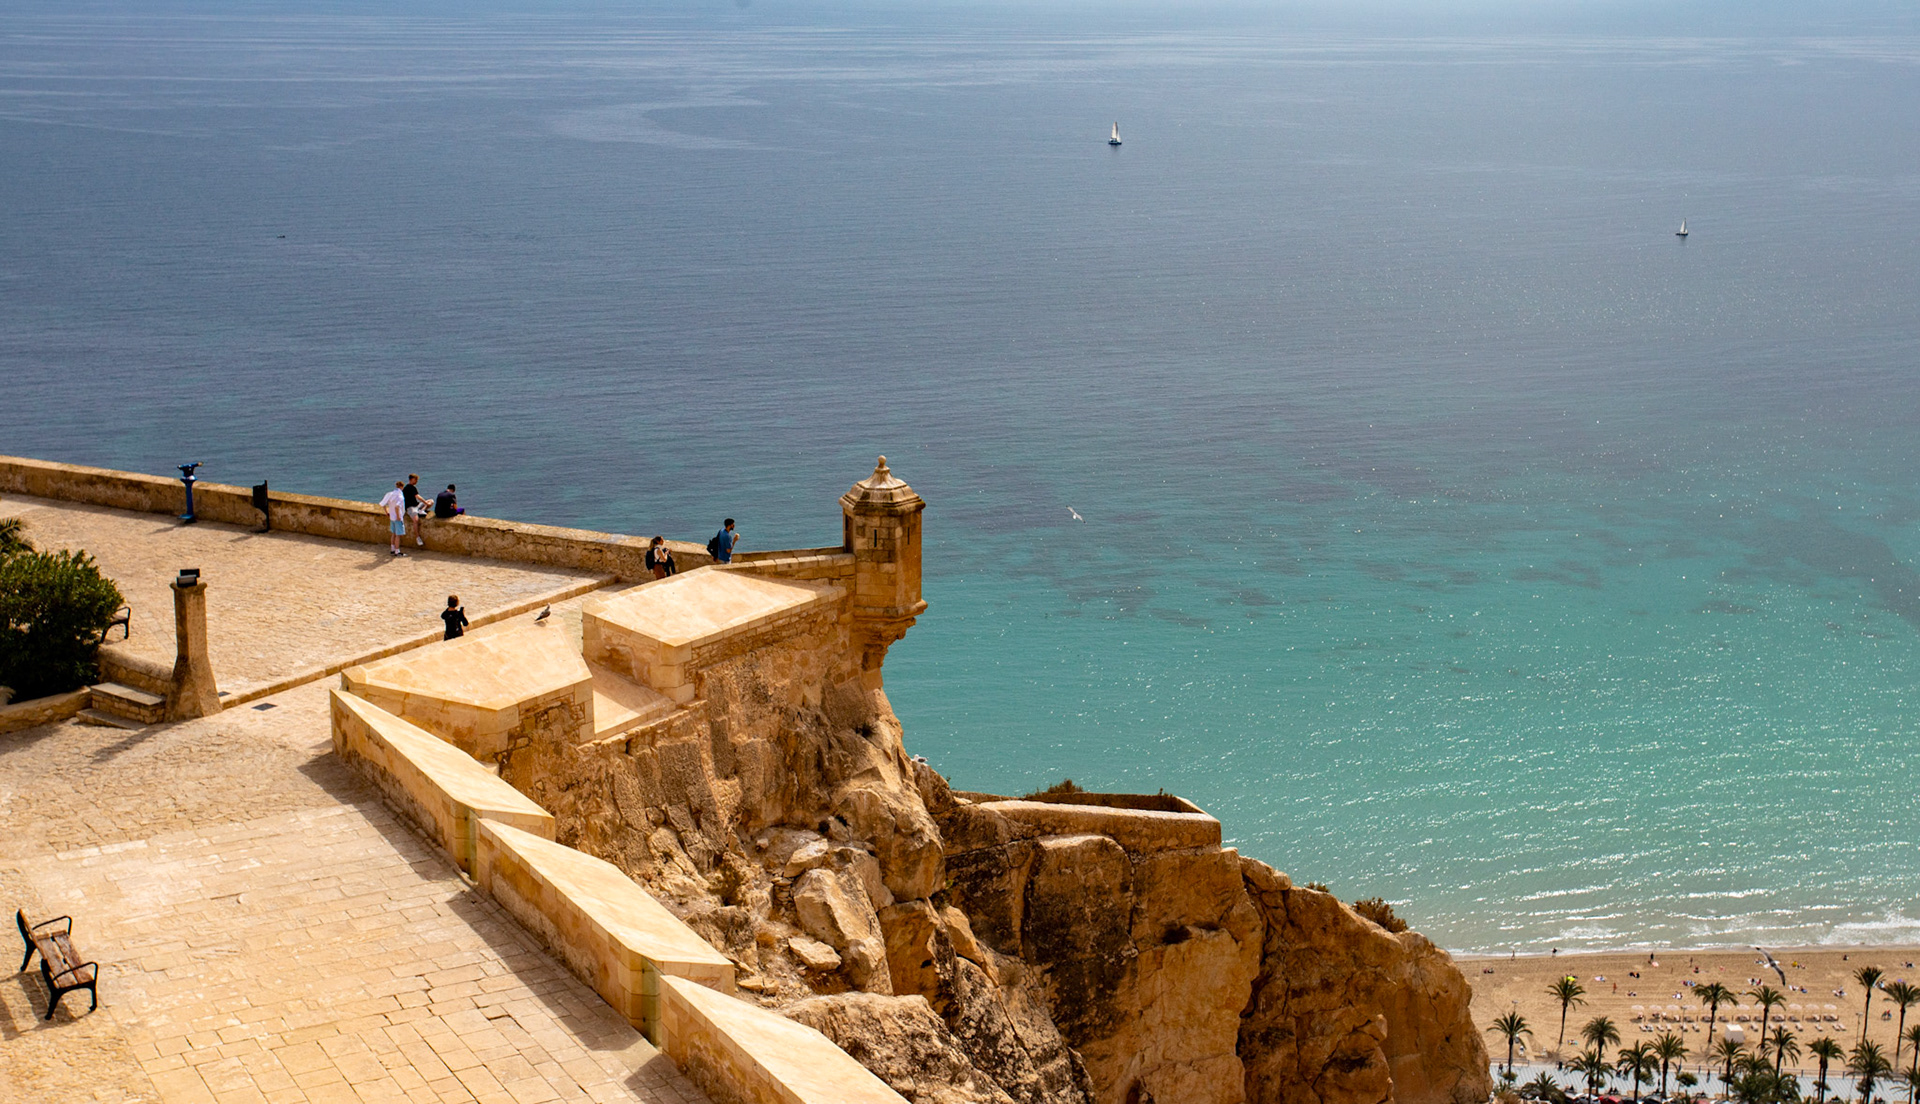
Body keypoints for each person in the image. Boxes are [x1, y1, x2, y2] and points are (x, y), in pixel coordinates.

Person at [379, 480, 408, 556]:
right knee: (398, 535)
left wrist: (386, 512)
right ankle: (397, 551)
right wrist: (398, 516)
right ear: (402, 487)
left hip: (391, 517)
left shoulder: (390, 494)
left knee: (393, 534)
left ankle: (392, 549)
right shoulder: (400, 496)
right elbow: (397, 507)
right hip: (397, 518)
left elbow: (382, 504)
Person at [401, 473, 427, 547]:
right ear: (411, 479)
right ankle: (417, 537)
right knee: (416, 520)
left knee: (431, 501)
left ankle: (421, 510)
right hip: (411, 507)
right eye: (416, 479)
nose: (416, 481)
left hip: (416, 505)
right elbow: (417, 496)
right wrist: (425, 502)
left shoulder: (411, 487)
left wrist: (425, 503)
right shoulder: (408, 488)